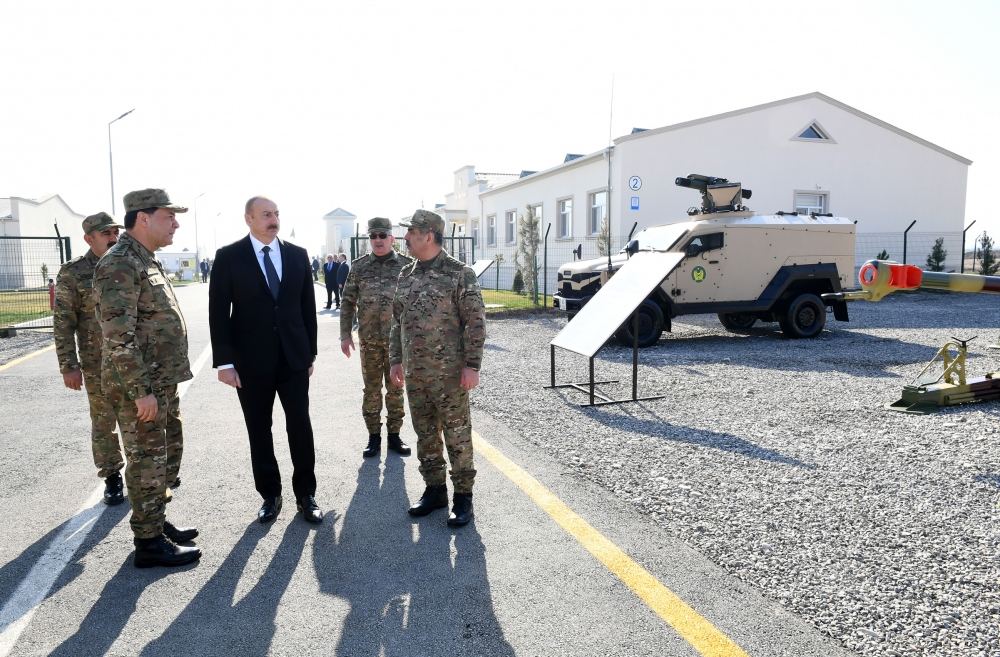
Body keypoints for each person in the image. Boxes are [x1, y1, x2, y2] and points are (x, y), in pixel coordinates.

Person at [94, 189, 200, 568]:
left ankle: (155, 519)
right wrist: (141, 392)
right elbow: (118, 336)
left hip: (160, 382)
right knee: (147, 461)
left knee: (164, 457)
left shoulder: (145, 260)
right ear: (143, 218)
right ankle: (149, 543)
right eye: (169, 216)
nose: (175, 223)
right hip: (141, 388)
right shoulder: (120, 263)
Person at [209, 196, 322, 524]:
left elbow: (306, 310)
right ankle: (270, 496)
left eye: (276, 214)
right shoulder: (229, 257)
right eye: (266, 215)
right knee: (259, 429)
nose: (273, 220)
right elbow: (219, 313)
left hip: (293, 359)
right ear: (249, 219)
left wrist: (310, 352)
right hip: (250, 362)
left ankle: (306, 494)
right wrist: (225, 362)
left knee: (300, 425)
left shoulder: (297, 256)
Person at [389, 210, 486, 527]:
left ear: (427, 235)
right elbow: (397, 322)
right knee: (425, 434)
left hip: (450, 375)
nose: (405, 238)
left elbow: (475, 322)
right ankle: (435, 491)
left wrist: (472, 366)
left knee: (458, 436)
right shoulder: (406, 274)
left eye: (410, 232)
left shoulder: (459, 273)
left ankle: (463, 498)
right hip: (416, 375)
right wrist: (395, 359)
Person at [53, 212, 126, 506]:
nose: (113, 237)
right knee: (104, 422)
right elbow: (63, 322)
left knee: (140, 420)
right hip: (98, 365)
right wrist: (68, 366)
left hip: (134, 361)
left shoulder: (128, 265)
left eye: (114, 232)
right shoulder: (73, 273)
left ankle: (147, 475)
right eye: (105, 233)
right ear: (88, 238)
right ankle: (111, 477)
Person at [340, 218, 412, 458]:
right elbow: (347, 302)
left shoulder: (406, 266)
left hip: (397, 345)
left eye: (383, 235)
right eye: (373, 236)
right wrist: (344, 335)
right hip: (369, 341)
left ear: (392, 238)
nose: (378, 240)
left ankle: (394, 436)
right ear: (369, 239)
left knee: (395, 390)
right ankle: (373, 438)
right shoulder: (359, 267)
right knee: (371, 390)